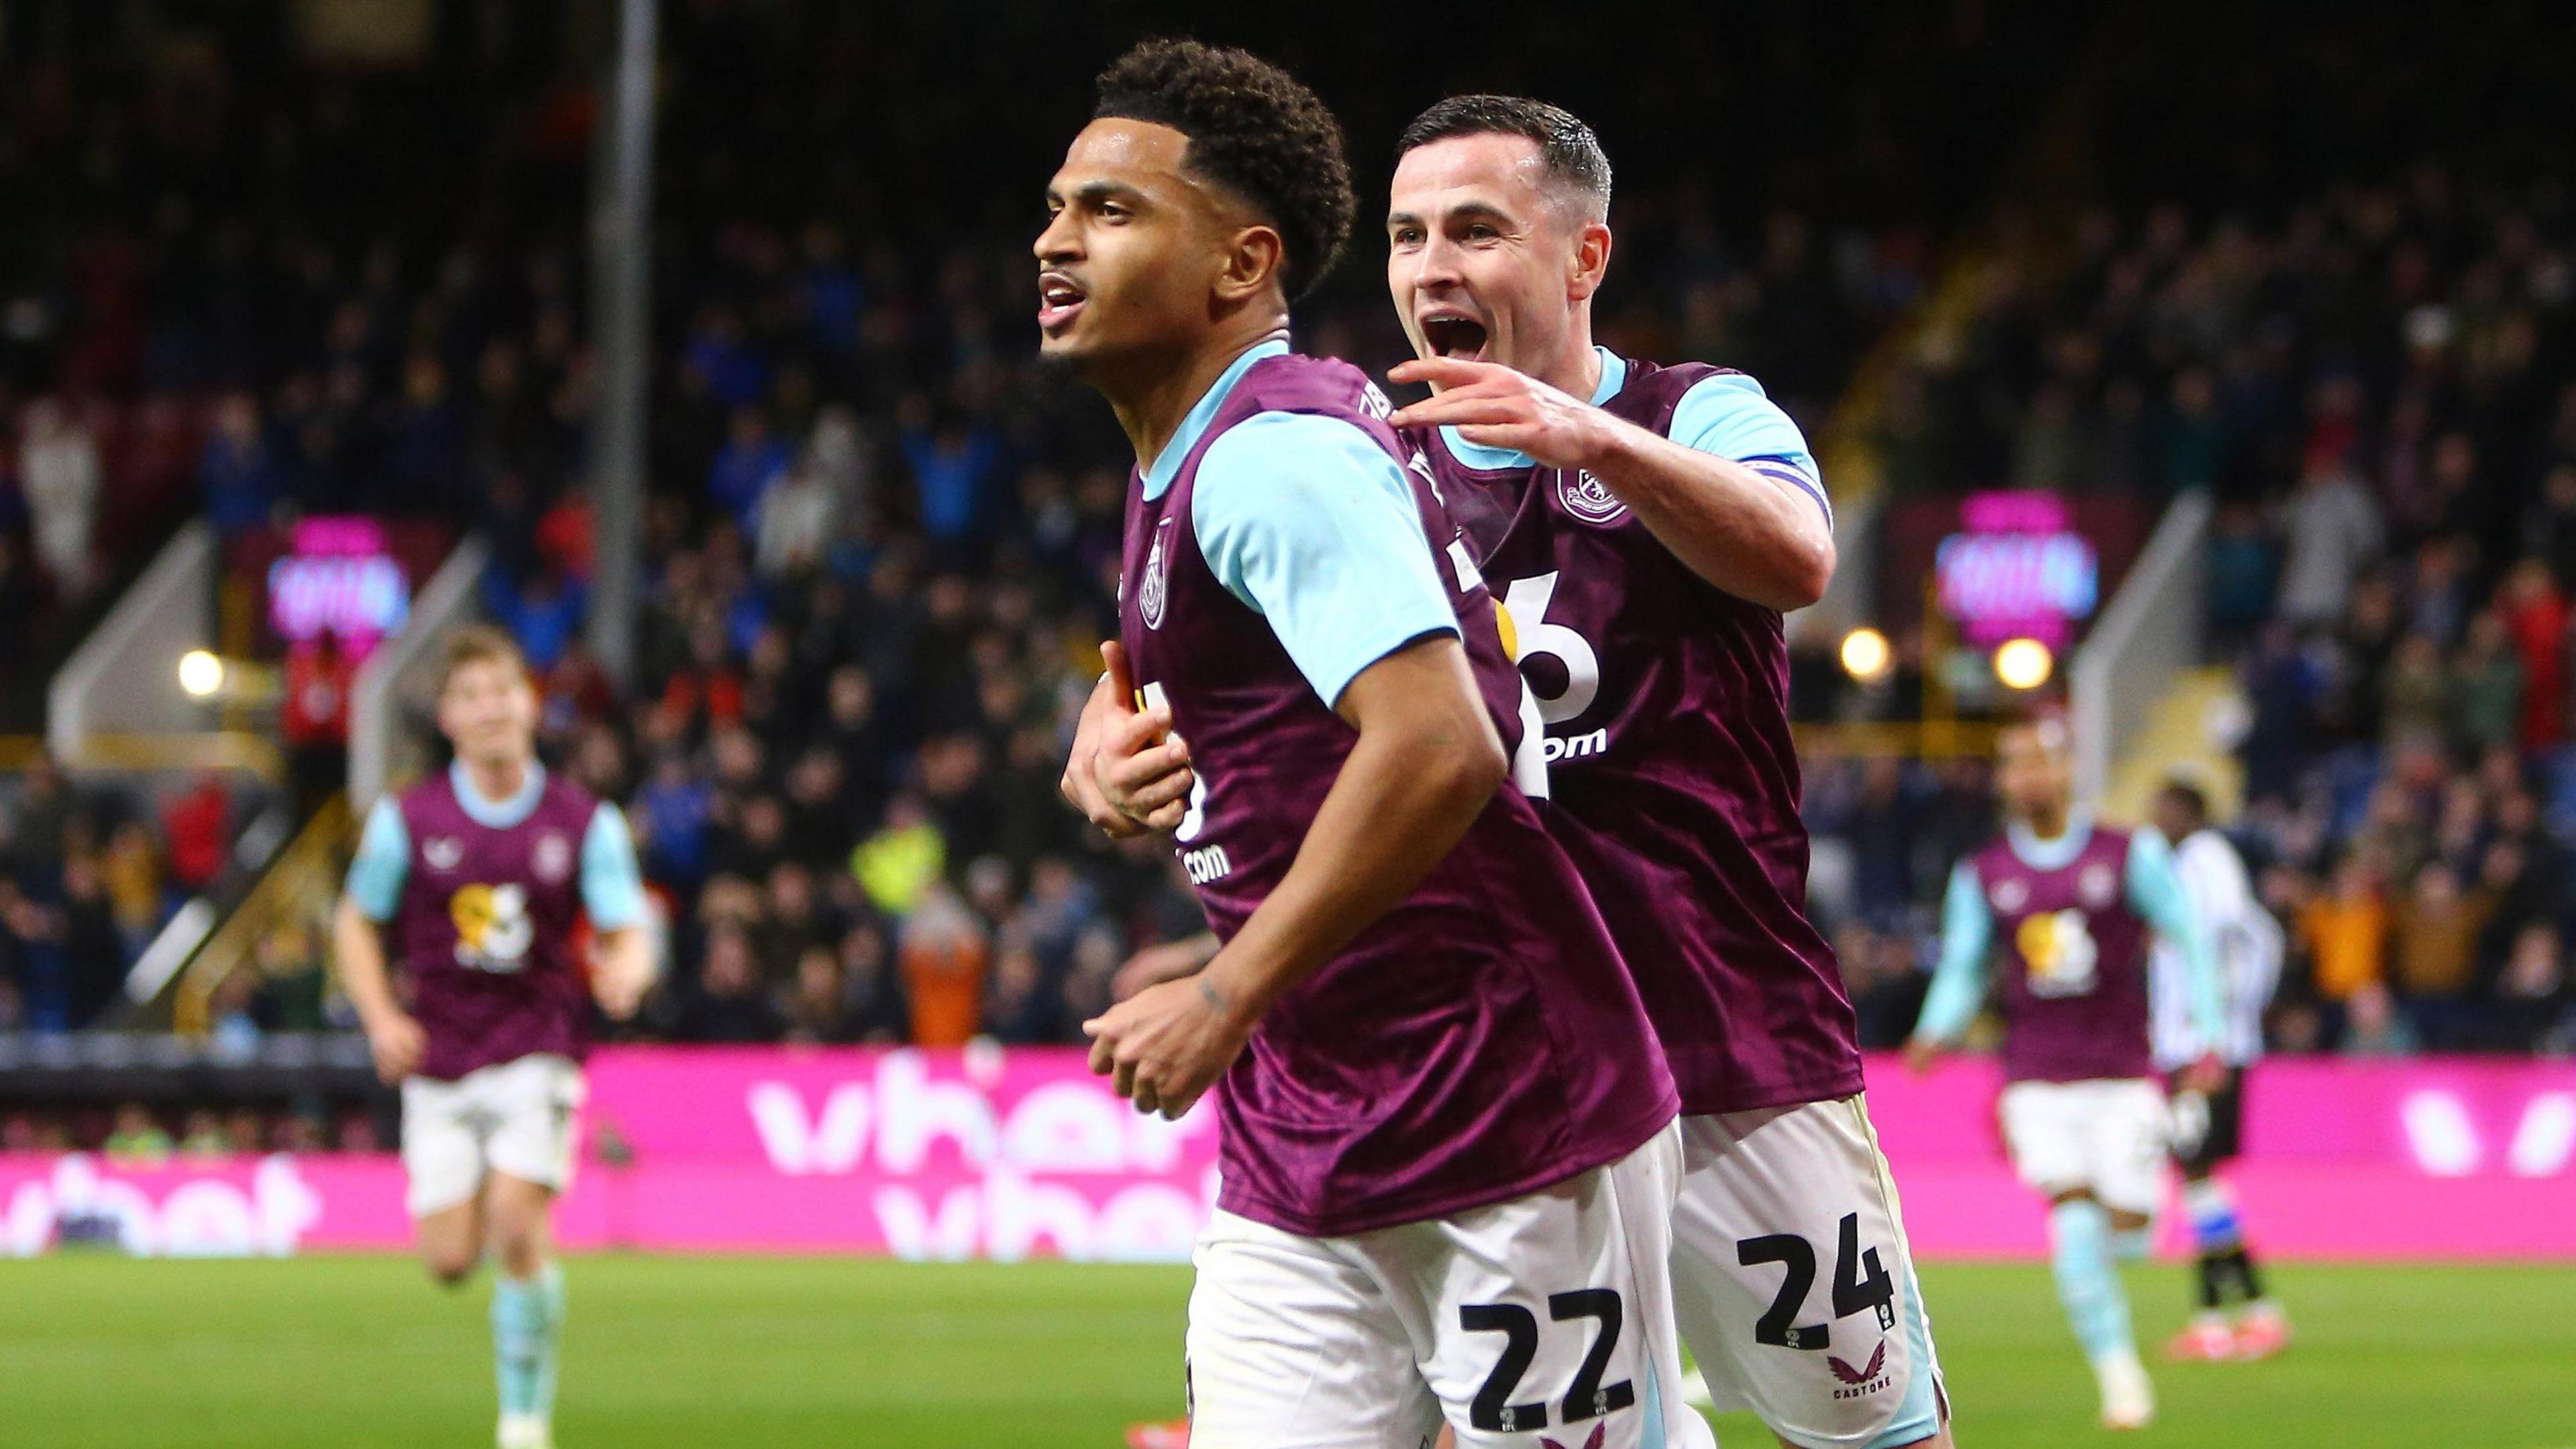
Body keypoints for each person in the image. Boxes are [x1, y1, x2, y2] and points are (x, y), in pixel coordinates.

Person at [1077, 95, 1942, 1449]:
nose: (1433, 269)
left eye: (1477, 231)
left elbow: (1799, 558)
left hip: (1724, 1035)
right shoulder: (1357, 448)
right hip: (1490, 1062)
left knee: (1868, 1428)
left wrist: (1593, 441)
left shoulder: (1694, 414)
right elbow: (1194, 617)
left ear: (1583, 258)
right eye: (1410, 236)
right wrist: (1103, 726)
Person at [1046, 42, 1699, 1449]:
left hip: (1503, 1099)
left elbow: (1438, 746)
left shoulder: (1273, 456)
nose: (1053, 242)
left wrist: (1222, 999)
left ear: (1238, 266)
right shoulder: (1195, 454)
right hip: (1315, 1124)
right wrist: (1104, 754)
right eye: (1057, 208)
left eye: (1110, 211)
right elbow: (1249, 724)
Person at [335, 626, 655, 1449]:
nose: (490, 710)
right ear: (447, 716)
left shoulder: (584, 820)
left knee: (517, 1227)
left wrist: (628, 969)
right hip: (439, 1057)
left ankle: (523, 1419)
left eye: (503, 692)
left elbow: (630, 924)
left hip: (537, 1044)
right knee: (447, 1261)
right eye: (471, 696)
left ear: (530, 702)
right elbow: (355, 921)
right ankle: (499, 1213)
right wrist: (380, 1016)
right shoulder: (409, 818)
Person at [1907, 719, 2224, 1431]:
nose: (2026, 778)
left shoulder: (2127, 854)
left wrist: (2209, 1034)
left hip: (2121, 1079)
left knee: (2133, 1233)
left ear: (2067, 772)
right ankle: (2120, 1379)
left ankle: (2126, 1251)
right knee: (2074, 1222)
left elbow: (2189, 937)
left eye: (2038, 763)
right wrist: (1936, 1030)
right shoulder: (1983, 873)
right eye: (2013, 766)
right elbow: (1962, 964)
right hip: (2036, 1081)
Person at [2147, 781, 2292, 1363]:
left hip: (2204, 1050)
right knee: (2199, 1181)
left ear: (2193, 813)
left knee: (2197, 1173)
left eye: (2167, 807)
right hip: (2190, 1046)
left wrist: (2223, 1030)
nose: (2156, 817)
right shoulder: (2181, 864)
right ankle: (2250, 1314)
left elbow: (2244, 934)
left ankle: (2224, 1321)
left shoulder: (2207, 860)